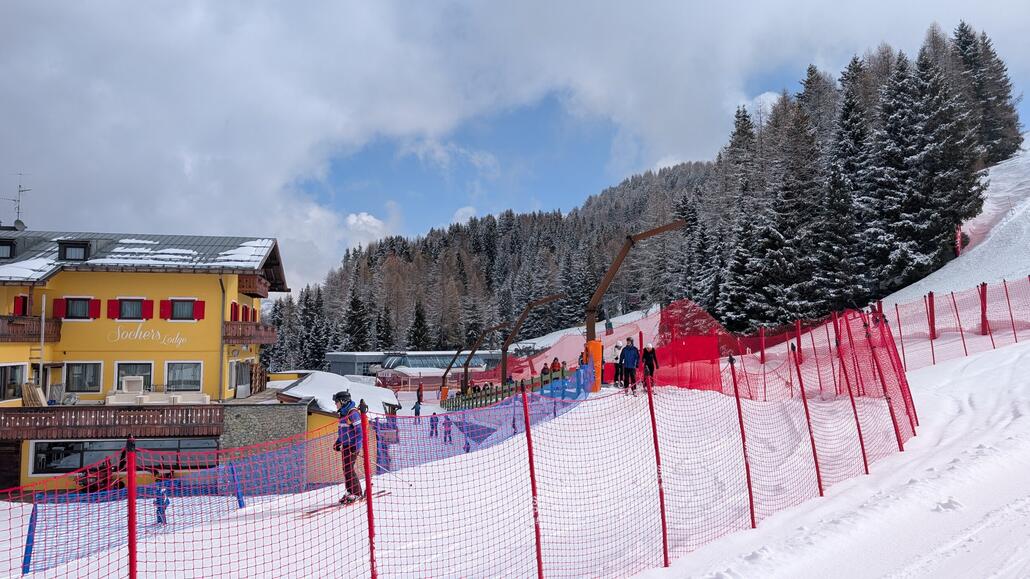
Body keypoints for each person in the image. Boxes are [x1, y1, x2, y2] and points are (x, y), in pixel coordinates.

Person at [332, 390, 364, 504]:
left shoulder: (352, 413)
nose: (335, 404)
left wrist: (356, 446)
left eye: (337, 402)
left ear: (343, 401)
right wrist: (338, 442)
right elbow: (343, 431)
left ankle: (357, 493)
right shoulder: (342, 413)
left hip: (352, 446)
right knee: (346, 469)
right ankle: (350, 491)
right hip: (345, 445)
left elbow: (360, 432)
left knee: (349, 468)